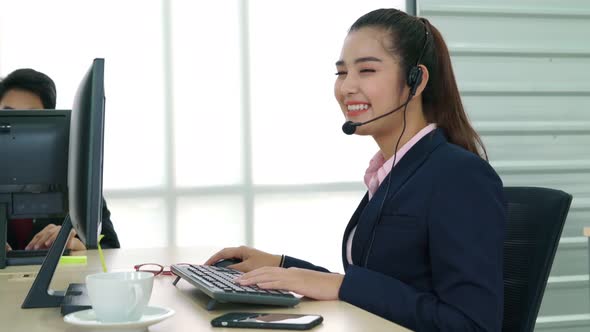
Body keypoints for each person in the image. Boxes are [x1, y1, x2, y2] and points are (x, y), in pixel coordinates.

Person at [205, 8, 506, 331]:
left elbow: (473, 324)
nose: (347, 87)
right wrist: (282, 267)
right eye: (341, 73)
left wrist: (340, 285)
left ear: (416, 81)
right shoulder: (392, 172)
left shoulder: (459, 176)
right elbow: (383, 285)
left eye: (366, 71)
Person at [0, 68, 121, 251]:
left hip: (58, 279)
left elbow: (110, 249)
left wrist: (77, 245)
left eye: (31, 117)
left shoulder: (75, 179)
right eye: (8, 115)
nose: (19, 127)